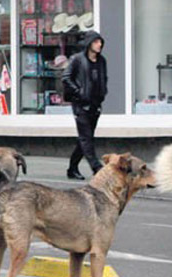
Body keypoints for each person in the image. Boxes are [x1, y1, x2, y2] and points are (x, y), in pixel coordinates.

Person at [62, 30, 107, 180]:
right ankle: (97, 168)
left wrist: (102, 94)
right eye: (96, 42)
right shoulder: (77, 59)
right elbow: (66, 77)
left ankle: (72, 168)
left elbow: (103, 79)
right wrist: (78, 92)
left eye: (100, 42)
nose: (99, 45)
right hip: (80, 104)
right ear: (89, 44)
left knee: (85, 138)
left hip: (95, 104)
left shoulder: (101, 61)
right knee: (86, 138)